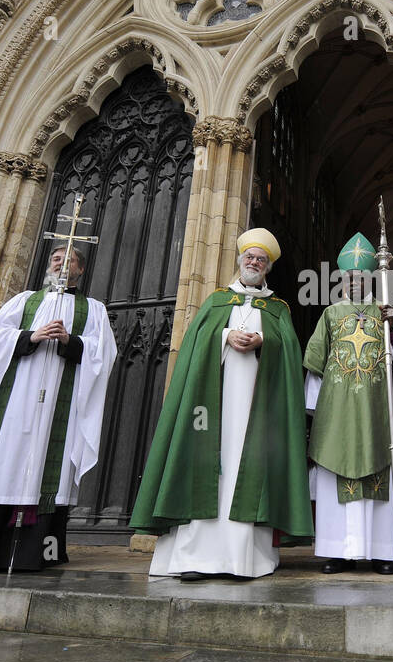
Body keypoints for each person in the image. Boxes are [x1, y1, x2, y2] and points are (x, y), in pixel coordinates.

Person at [130, 228, 312, 580]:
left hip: (256, 408)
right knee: (205, 465)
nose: (254, 263)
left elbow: (290, 353)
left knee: (247, 468)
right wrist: (226, 335)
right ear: (240, 261)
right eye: (250, 257)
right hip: (209, 411)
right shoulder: (215, 302)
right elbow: (196, 345)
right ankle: (194, 558)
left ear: (268, 268)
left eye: (261, 260)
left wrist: (264, 341)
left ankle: (244, 559)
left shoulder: (278, 309)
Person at [0, 244, 117, 572]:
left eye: (69, 260)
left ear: (80, 270)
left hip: (57, 406)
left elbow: (104, 353)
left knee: (45, 467)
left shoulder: (94, 310)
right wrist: (31, 336)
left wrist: (71, 341)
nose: (61, 264)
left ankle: (34, 556)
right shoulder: (24, 300)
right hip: (11, 405)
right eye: (56, 259)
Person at [304, 233, 393, 575]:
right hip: (338, 414)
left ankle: (384, 552)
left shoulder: (386, 310)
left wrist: (392, 325)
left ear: (370, 279)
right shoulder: (330, 314)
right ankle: (338, 551)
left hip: (377, 414)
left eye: (360, 277)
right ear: (341, 280)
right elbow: (317, 365)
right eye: (349, 278)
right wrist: (316, 412)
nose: (354, 282)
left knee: (382, 471)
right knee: (334, 474)